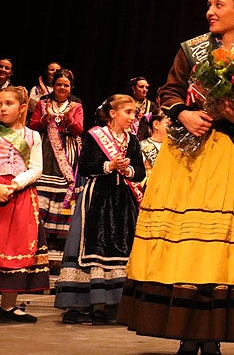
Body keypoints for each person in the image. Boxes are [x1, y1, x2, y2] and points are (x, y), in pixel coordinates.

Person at [118, 0, 234, 355]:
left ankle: (214, 334)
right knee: (184, 242)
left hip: (231, 157)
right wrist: (183, 113)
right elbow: (168, 93)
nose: (210, 11)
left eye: (218, 5)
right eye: (208, 5)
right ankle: (184, 334)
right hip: (187, 155)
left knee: (219, 243)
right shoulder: (191, 49)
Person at [54, 94, 145, 325]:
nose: (132, 117)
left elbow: (140, 172)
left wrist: (127, 171)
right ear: (113, 113)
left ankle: (112, 304)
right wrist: (110, 166)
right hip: (97, 198)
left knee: (120, 247)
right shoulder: (95, 136)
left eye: (134, 113)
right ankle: (86, 303)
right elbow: (84, 167)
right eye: (128, 112)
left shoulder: (132, 140)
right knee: (90, 246)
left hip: (122, 201)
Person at [28, 68, 84, 270]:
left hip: (66, 155)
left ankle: (57, 244)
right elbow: (32, 126)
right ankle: (38, 241)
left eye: (66, 85)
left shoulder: (76, 106)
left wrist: (68, 117)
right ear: (54, 86)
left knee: (62, 194)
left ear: (71, 88)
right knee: (42, 192)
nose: (62, 88)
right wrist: (46, 118)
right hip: (45, 151)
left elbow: (79, 129)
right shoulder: (43, 103)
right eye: (59, 84)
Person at [0, 85, 47, 322]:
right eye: (0, 104)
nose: (3, 108)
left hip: (20, 196)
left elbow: (37, 168)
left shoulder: (33, 136)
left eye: (8, 103)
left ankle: (8, 306)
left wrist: (15, 185)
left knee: (16, 248)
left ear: (22, 108)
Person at [139, 110, 169, 185]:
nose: (173, 128)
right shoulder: (141, 147)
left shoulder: (177, 148)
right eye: (169, 125)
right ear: (156, 124)